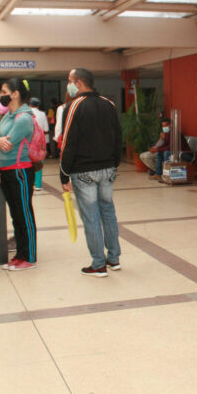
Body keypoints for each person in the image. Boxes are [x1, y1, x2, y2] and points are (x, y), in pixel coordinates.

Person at [60, 68, 122, 278]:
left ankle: (98, 264)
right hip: (108, 168)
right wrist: (114, 164)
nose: (67, 84)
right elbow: (118, 137)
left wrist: (64, 173)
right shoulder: (109, 104)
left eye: (69, 81)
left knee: (91, 216)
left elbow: (68, 142)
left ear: (78, 83)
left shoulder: (74, 106)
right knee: (108, 212)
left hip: (84, 171)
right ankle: (114, 259)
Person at [0, 78, 37, 271]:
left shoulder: (24, 118)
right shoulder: (8, 116)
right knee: (15, 215)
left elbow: (8, 142)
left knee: (24, 214)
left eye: (4, 90)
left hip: (20, 171)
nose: (0, 95)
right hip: (6, 170)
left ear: (15, 94)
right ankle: (19, 254)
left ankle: (29, 256)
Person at [29, 97, 50, 190]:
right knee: (39, 162)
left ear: (29, 104)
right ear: (38, 105)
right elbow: (46, 129)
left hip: (29, 142)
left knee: (28, 163)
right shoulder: (42, 114)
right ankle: (38, 185)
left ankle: (30, 182)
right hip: (40, 142)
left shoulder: (26, 114)